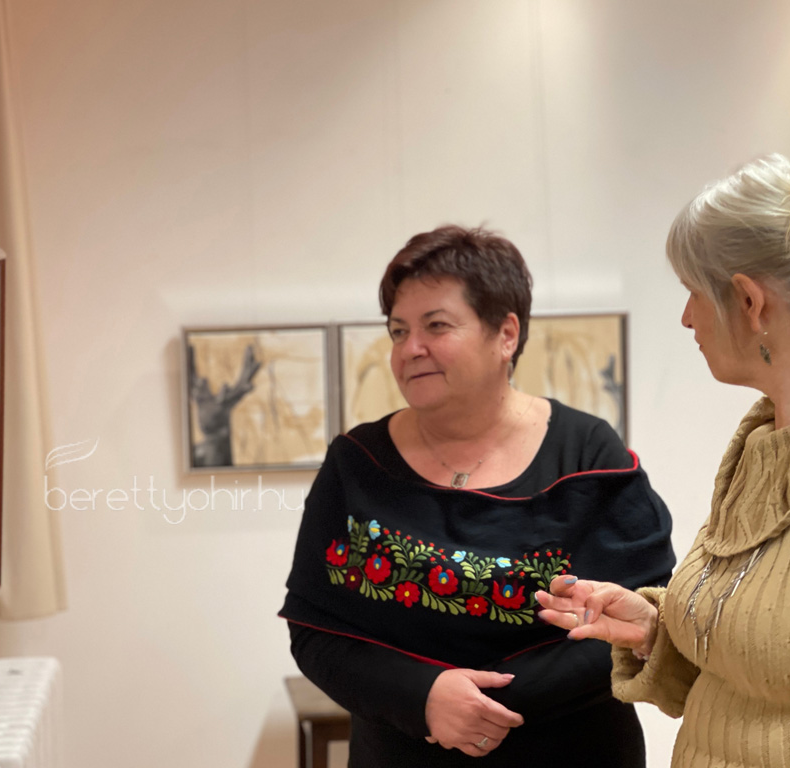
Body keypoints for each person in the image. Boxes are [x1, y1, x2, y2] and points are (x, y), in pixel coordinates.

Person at [536, 155, 790, 767]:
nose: (686, 318)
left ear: (750, 302)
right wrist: (655, 632)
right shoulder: (759, 447)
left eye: (694, 293)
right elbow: (752, 665)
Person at [280, 225, 675, 766]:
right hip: (402, 750)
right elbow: (315, 628)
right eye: (398, 331)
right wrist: (423, 699)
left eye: (436, 325)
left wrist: (480, 707)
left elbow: (639, 613)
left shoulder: (588, 454)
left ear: (506, 334)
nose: (410, 349)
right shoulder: (357, 462)